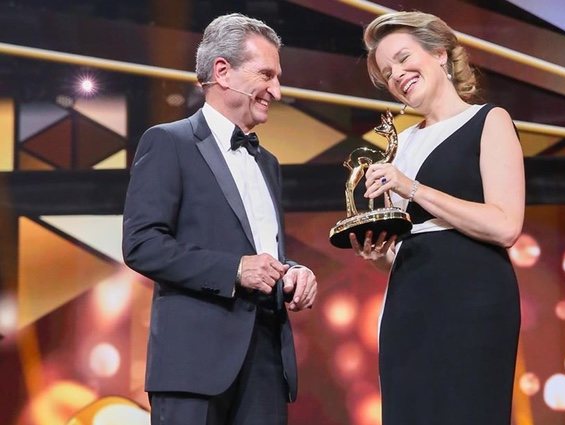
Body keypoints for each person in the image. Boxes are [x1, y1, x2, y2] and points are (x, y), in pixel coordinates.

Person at [122, 13, 317, 425]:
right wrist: (235, 270)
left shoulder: (269, 163)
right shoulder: (168, 142)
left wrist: (293, 272)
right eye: (266, 74)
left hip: (265, 365)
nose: (276, 91)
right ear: (223, 71)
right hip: (193, 368)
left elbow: (262, 251)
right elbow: (142, 244)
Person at [351, 11, 525, 425]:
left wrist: (411, 187)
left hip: (473, 302)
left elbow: (505, 226)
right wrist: (378, 255)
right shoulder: (402, 143)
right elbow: (413, 243)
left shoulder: (488, 120)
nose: (397, 74)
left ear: (440, 54)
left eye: (404, 57)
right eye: (387, 71)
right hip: (408, 304)